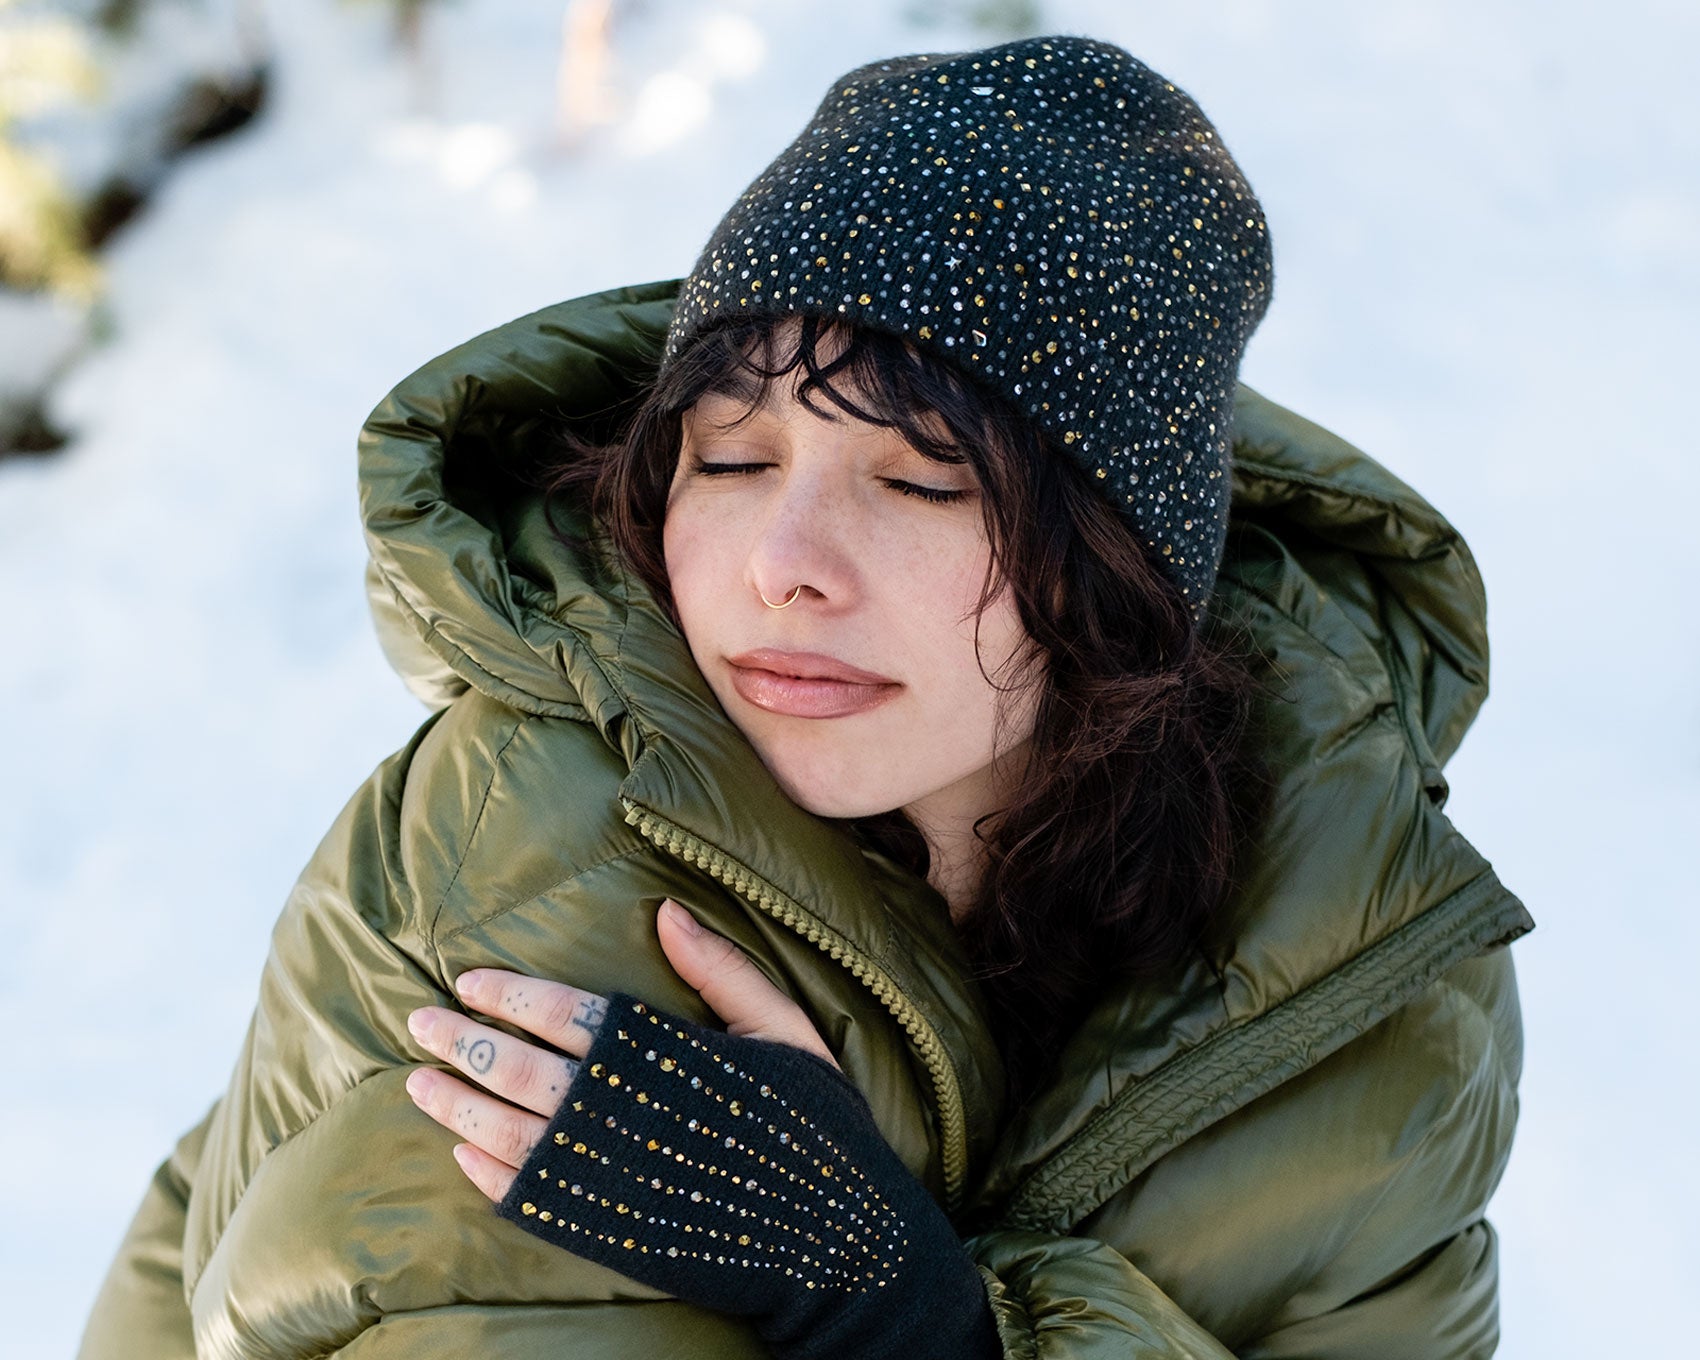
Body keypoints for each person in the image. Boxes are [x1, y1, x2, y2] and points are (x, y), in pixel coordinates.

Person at [79, 35, 1531, 1360]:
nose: (783, 566)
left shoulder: (1370, 991)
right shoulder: (518, 869)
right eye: (729, 460)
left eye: (918, 481)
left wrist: (911, 1317)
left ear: (1118, 570)